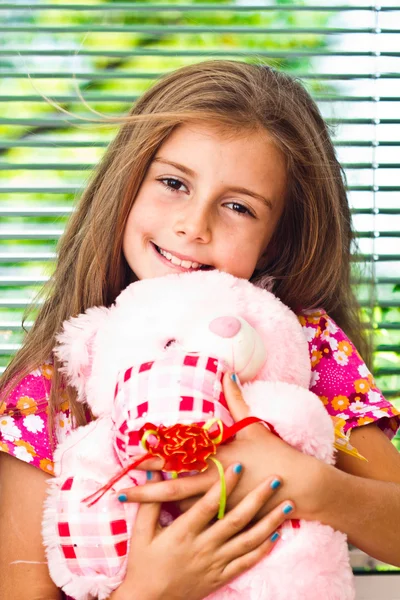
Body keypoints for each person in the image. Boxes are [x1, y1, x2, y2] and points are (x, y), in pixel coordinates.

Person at [1, 59, 399, 600]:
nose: (194, 225)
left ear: (276, 240)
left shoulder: (309, 346)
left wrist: (307, 484)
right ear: (126, 185)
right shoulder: (49, 386)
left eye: (238, 206)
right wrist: (152, 590)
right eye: (172, 183)